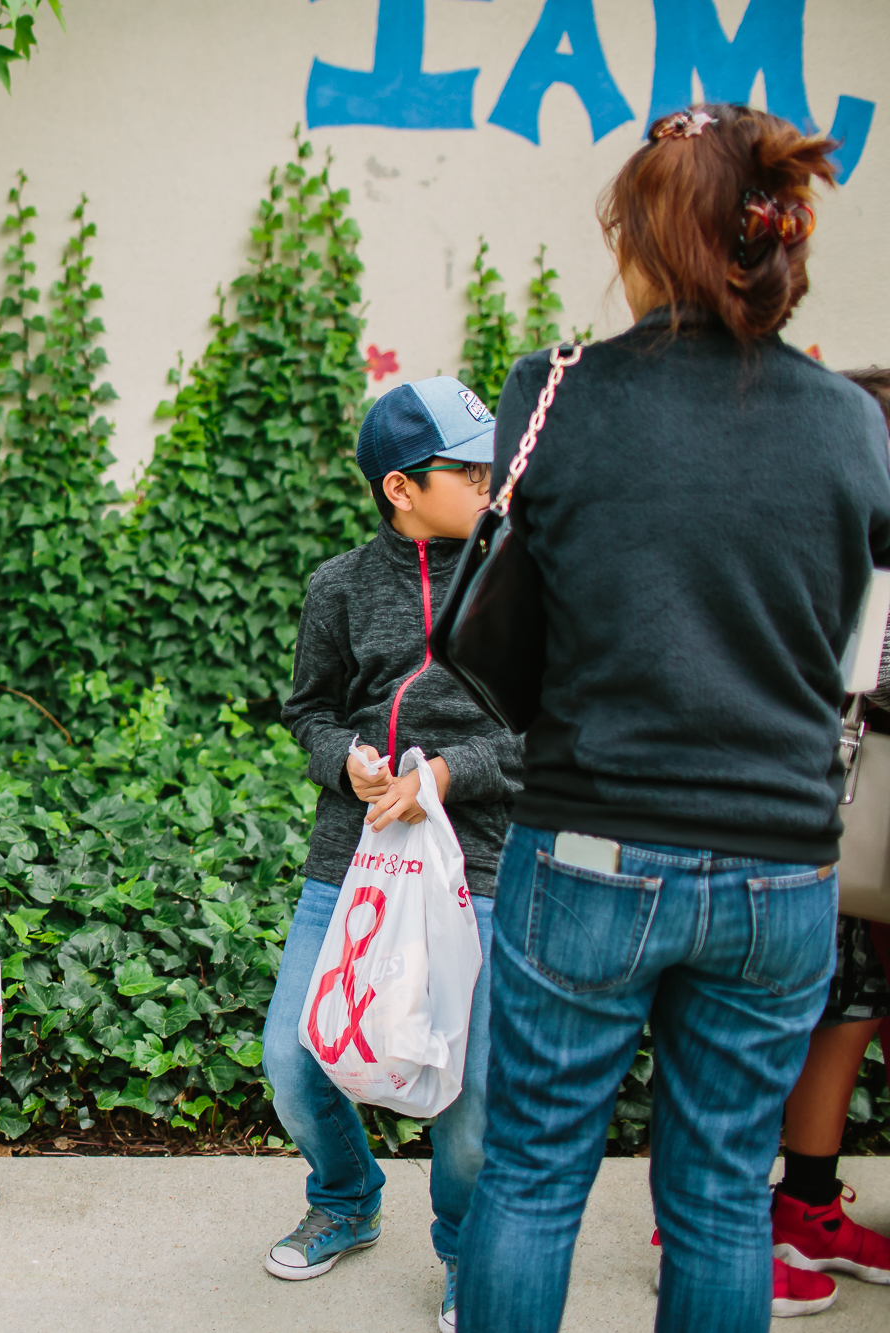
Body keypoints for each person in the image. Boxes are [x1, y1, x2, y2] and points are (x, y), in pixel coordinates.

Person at [456, 104, 890, 1333]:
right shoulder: (852, 425)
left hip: (591, 841)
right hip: (779, 866)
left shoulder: (555, 392)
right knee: (713, 1200)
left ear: (648, 241)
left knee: (533, 1177)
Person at [269, 375, 523, 1332]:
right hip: (353, 860)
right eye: (468, 467)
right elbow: (309, 712)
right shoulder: (337, 586)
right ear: (401, 488)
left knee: (472, 1091)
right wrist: (350, 761)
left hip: (483, 865)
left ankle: (461, 1251)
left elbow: (553, 735)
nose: (490, 480)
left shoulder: (519, 579)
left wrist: (451, 773)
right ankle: (345, 1197)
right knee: (296, 1056)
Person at [765, 367, 890, 1304]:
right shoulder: (864, 547)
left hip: (803, 809)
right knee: (826, 1005)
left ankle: (790, 1206)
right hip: (839, 820)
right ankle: (749, 1213)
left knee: (835, 1005)